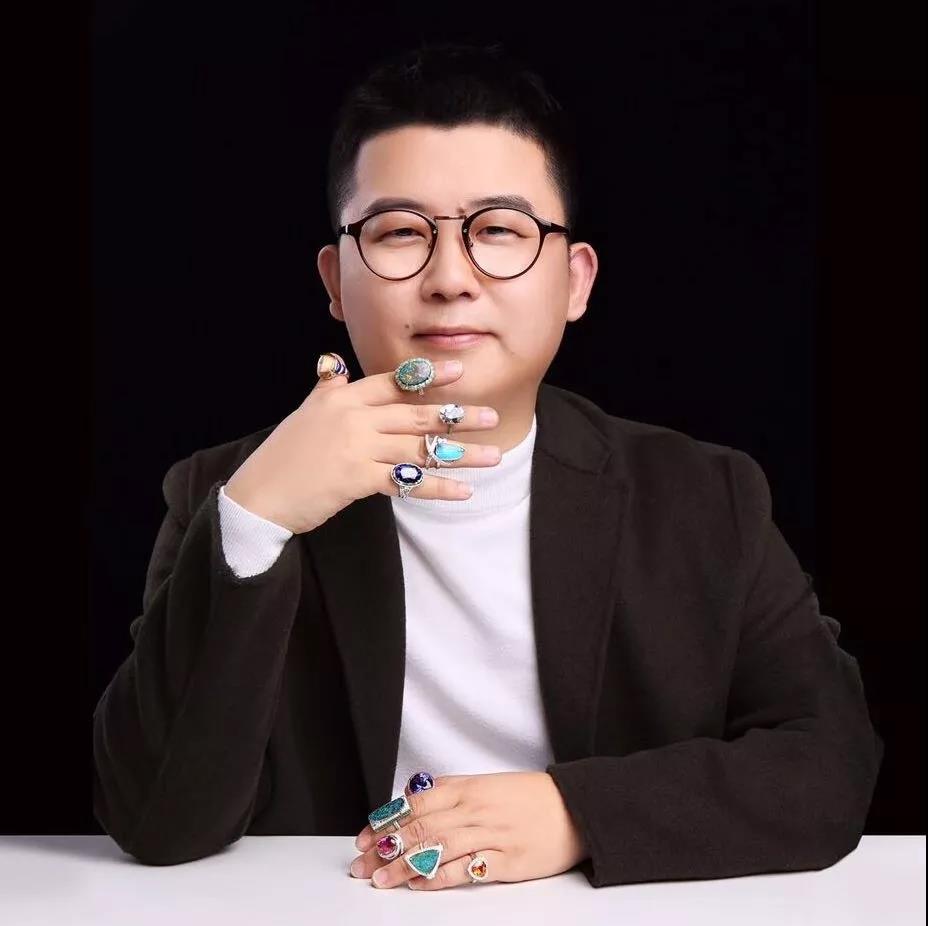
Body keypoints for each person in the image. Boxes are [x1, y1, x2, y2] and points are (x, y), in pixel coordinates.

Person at [92, 40, 884, 889]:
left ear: (575, 282)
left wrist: (575, 812)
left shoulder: (704, 497)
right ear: (335, 281)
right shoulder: (224, 490)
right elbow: (156, 820)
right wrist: (257, 518)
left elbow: (832, 761)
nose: (449, 278)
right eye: (400, 233)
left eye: (499, 231)